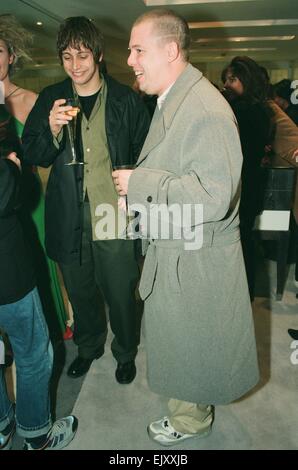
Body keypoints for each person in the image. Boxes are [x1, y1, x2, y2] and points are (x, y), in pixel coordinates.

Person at [113, 9, 259, 446]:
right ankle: (190, 412)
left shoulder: (204, 109)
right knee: (182, 345)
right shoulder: (177, 98)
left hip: (195, 259)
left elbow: (214, 197)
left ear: (171, 50)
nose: (130, 60)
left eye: (138, 50)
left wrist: (141, 183)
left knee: (191, 348)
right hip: (180, 251)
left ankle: (190, 422)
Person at [22, 17, 151, 383]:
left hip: (114, 212)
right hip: (68, 214)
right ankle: (90, 345)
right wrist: (50, 128)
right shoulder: (51, 97)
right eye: (66, 57)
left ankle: (125, 350)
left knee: (122, 290)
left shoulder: (126, 98)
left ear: (97, 54)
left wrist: (137, 188)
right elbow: (33, 153)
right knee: (80, 291)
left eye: (81, 55)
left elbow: (147, 153)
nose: (75, 65)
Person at [0, 152, 77, 450]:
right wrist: (12, 168)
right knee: (32, 354)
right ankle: (36, 434)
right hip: (8, 276)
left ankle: (3, 424)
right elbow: (7, 195)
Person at [0, 14, 68, 340]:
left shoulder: (29, 101)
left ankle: (52, 326)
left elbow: (46, 154)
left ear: (11, 56)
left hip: (29, 198)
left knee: (37, 265)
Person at [221, 56, 273, 301]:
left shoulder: (243, 111)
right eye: (226, 80)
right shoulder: (261, 109)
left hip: (241, 186)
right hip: (250, 185)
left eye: (233, 79)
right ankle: (245, 295)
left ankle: (242, 296)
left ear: (246, 79)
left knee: (239, 245)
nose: (227, 84)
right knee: (243, 243)